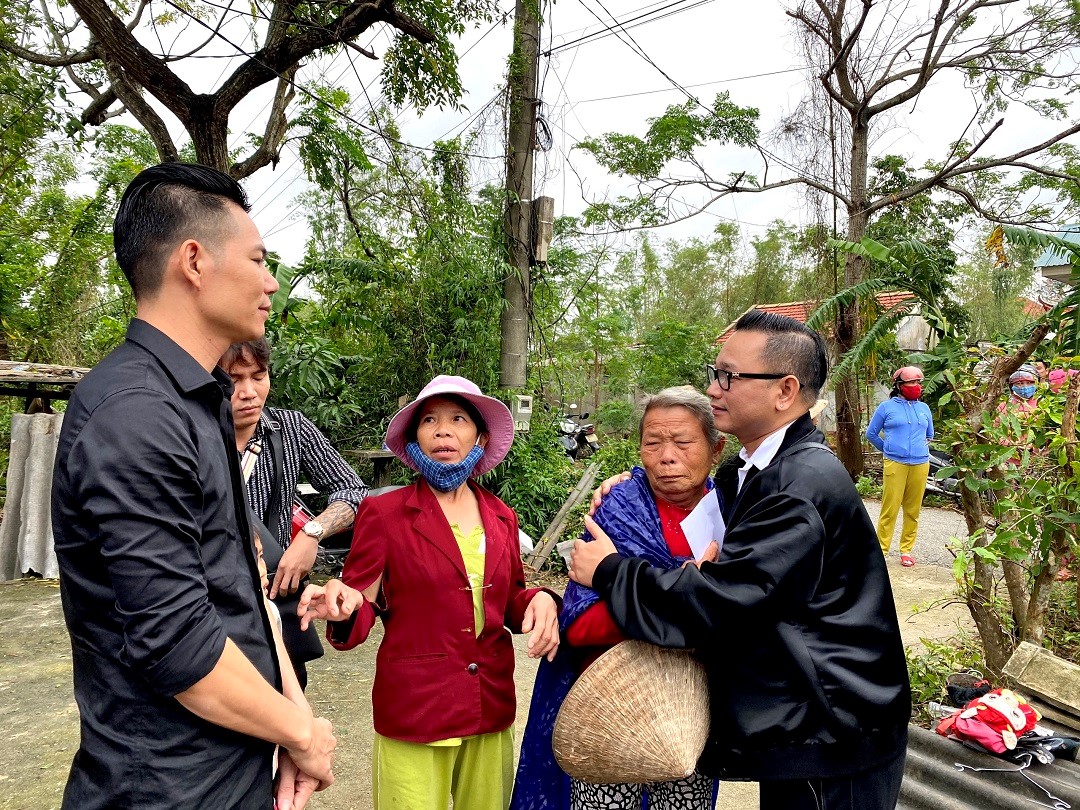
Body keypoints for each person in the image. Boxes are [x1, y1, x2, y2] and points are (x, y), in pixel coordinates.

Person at [51, 163, 336, 810]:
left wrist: (291, 725)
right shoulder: (135, 414)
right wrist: (303, 733)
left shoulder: (196, 404)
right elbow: (180, 643)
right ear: (194, 261)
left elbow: (246, 598)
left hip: (231, 775)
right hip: (167, 791)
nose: (270, 282)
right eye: (259, 259)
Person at [568, 310, 911, 810]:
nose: (714, 389)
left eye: (729, 376)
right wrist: (632, 484)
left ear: (784, 391)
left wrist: (608, 570)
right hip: (811, 724)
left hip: (834, 735)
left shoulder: (797, 487)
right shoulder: (757, 471)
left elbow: (722, 605)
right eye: (715, 374)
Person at [297, 375, 561, 810]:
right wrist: (343, 606)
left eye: (458, 419)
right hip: (417, 708)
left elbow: (511, 600)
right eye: (430, 420)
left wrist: (543, 600)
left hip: (489, 705)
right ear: (415, 437)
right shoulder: (384, 513)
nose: (443, 430)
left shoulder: (501, 517)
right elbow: (361, 601)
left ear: (480, 436)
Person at [513, 386, 723, 810]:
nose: (666, 456)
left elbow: (738, 617)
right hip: (609, 709)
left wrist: (638, 595)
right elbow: (582, 624)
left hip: (691, 712)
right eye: (652, 442)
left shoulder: (732, 512)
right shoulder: (619, 508)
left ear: (715, 449)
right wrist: (684, 597)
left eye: (683, 442)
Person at [221, 337, 367, 687]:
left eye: (258, 376)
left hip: (278, 601)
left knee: (289, 706)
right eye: (233, 380)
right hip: (216, 608)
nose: (249, 392)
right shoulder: (190, 435)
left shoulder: (291, 429)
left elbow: (355, 491)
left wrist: (311, 533)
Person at [865, 366, 934, 568]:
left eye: (918, 383)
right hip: (895, 462)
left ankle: (906, 550)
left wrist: (920, 447)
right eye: (911, 383)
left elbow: (930, 434)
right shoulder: (886, 408)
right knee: (890, 507)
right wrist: (887, 448)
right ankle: (882, 550)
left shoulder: (924, 409)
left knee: (913, 510)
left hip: (921, 463)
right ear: (899, 385)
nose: (916, 386)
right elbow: (871, 434)